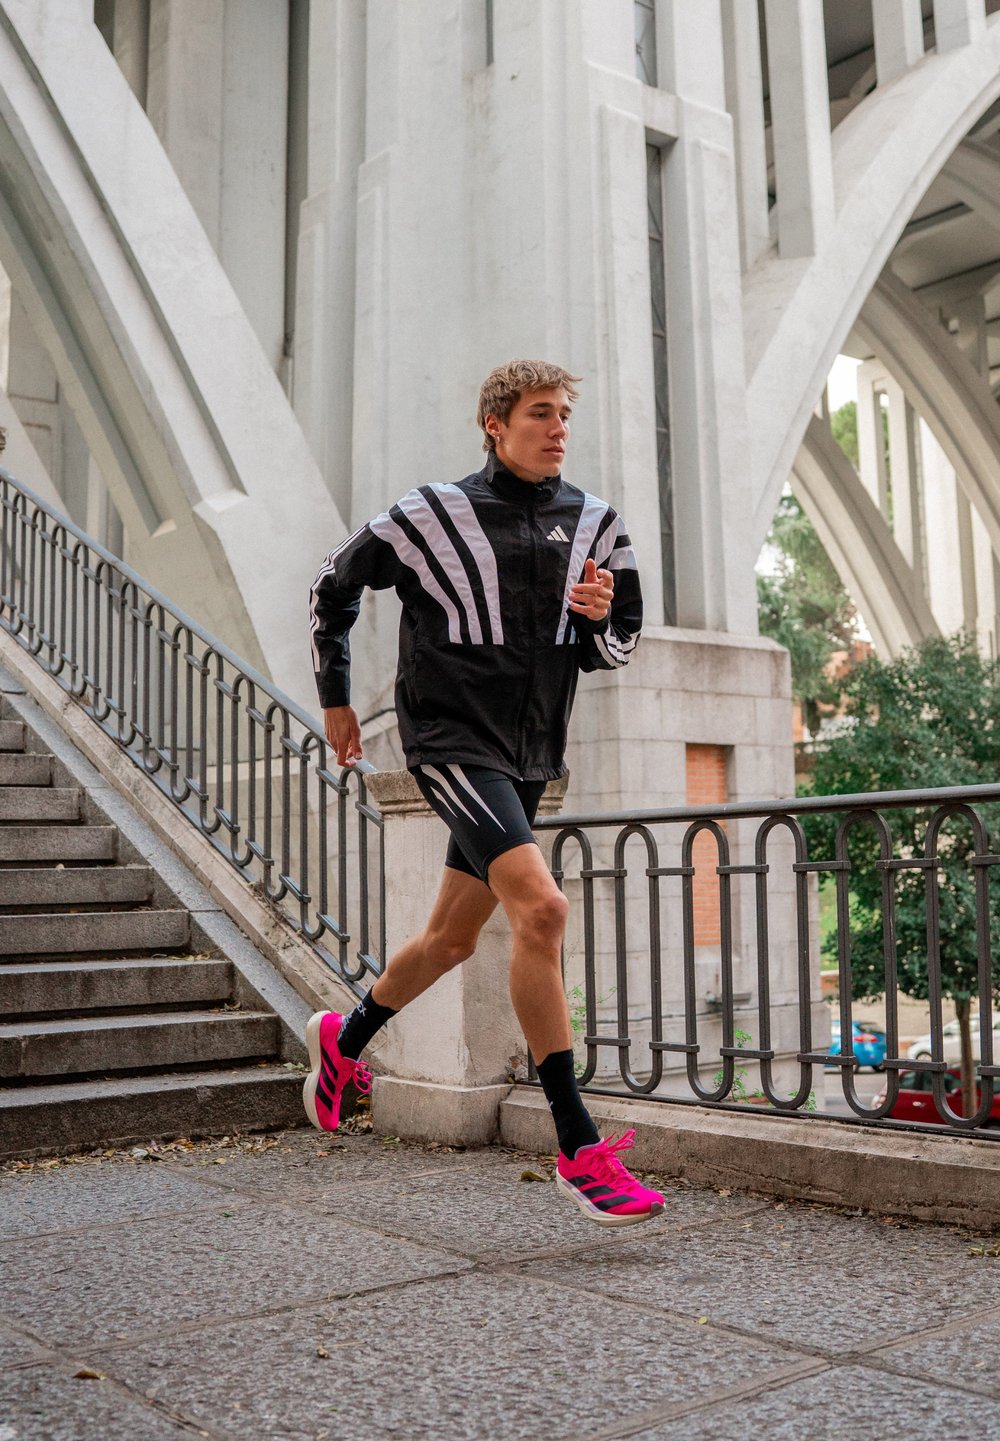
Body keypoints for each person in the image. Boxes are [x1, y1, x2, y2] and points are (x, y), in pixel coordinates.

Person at [304, 359, 664, 1227]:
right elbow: (332, 587)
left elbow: (619, 644)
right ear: (495, 425)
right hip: (451, 737)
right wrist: (337, 699)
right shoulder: (431, 513)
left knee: (450, 940)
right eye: (542, 413)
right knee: (541, 908)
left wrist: (596, 617)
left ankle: (341, 1042)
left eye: (566, 415)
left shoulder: (596, 524)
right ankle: (579, 1149)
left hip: (531, 750)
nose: (559, 428)